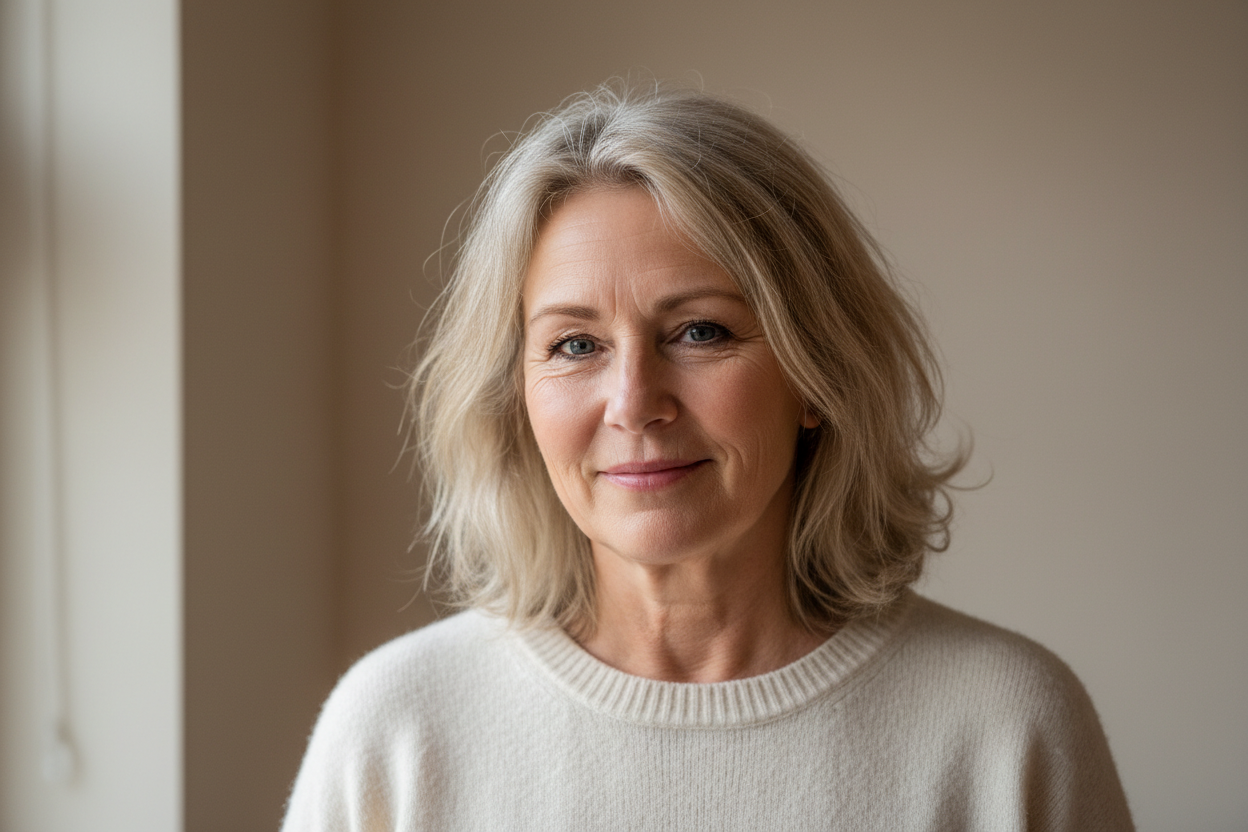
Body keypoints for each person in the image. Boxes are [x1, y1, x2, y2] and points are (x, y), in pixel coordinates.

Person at [281, 83, 1133, 830]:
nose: (633, 403)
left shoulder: (1009, 728)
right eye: (576, 345)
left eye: (700, 332)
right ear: (518, 398)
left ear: (815, 373)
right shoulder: (397, 729)